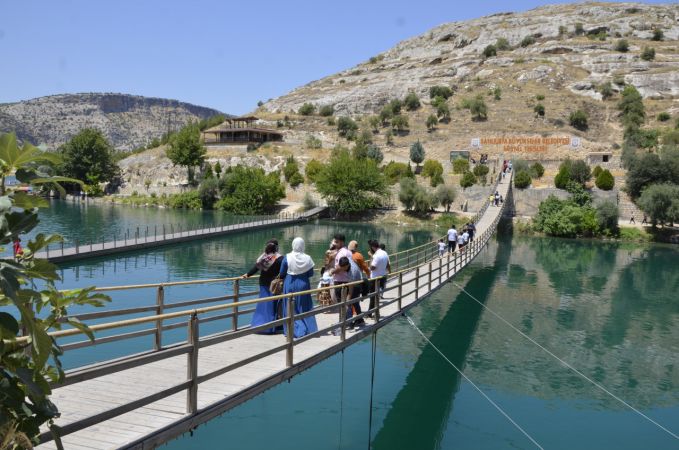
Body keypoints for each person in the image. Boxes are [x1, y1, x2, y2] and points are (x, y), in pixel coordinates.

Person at [279, 237, 318, 338]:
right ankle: (308, 328)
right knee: (304, 306)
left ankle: (294, 330)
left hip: (290, 282)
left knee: (290, 306)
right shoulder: (308, 258)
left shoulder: (287, 257)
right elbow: (311, 273)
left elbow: (282, 273)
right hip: (303, 283)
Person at [243, 239, 284, 334]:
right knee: (272, 304)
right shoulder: (280, 258)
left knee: (262, 304)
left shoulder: (263, 257)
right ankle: (271, 326)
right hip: (274, 285)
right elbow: (282, 272)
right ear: (277, 247)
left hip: (263, 284)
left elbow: (256, 268)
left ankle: (258, 325)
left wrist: (247, 274)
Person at [368, 240, 390, 317]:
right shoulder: (385, 253)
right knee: (376, 296)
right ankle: (374, 312)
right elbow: (387, 264)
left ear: (373, 247)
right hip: (382, 277)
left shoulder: (376, 255)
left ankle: (371, 313)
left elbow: (372, 267)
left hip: (375, 279)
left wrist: (371, 257)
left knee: (372, 296)